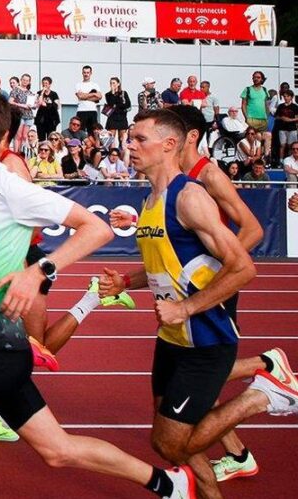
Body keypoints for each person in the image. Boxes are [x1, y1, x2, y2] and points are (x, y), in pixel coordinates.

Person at [0, 86, 195, 499]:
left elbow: (97, 228)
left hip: (2, 351)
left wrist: (39, 271)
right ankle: (169, 483)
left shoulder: (9, 187)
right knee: (58, 450)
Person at [98, 108, 292, 499]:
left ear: (170, 144)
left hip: (206, 338)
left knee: (170, 444)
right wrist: (127, 281)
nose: (129, 146)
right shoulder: (151, 196)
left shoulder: (190, 197)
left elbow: (243, 267)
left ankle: (264, 395)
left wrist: (185, 308)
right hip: (171, 338)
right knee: (166, 434)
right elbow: (167, 265)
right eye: (129, 139)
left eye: (139, 139)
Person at [240, 71, 271, 151]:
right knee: (257, 137)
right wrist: (247, 117)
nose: (256, 79)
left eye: (258, 77)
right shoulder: (248, 89)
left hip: (263, 119)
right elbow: (243, 104)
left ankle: (265, 157)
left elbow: (266, 105)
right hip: (252, 119)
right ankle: (256, 156)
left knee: (267, 137)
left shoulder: (264, 90)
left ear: (262, 79)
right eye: (254, 77)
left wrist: (267, 117)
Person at [104, 77, 131, 147]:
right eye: (111, 83)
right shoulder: (108, 94)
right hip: (112, 117)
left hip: (122, 117)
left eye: (114, 83)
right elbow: (111, 104)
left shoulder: (123, 93)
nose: (112, 85)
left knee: (122, 138)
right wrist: (113, 93)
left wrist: (117, 106)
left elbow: (127, 104)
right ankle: (111, 153)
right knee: (111, 138)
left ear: (118, 84)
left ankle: (121, 152)